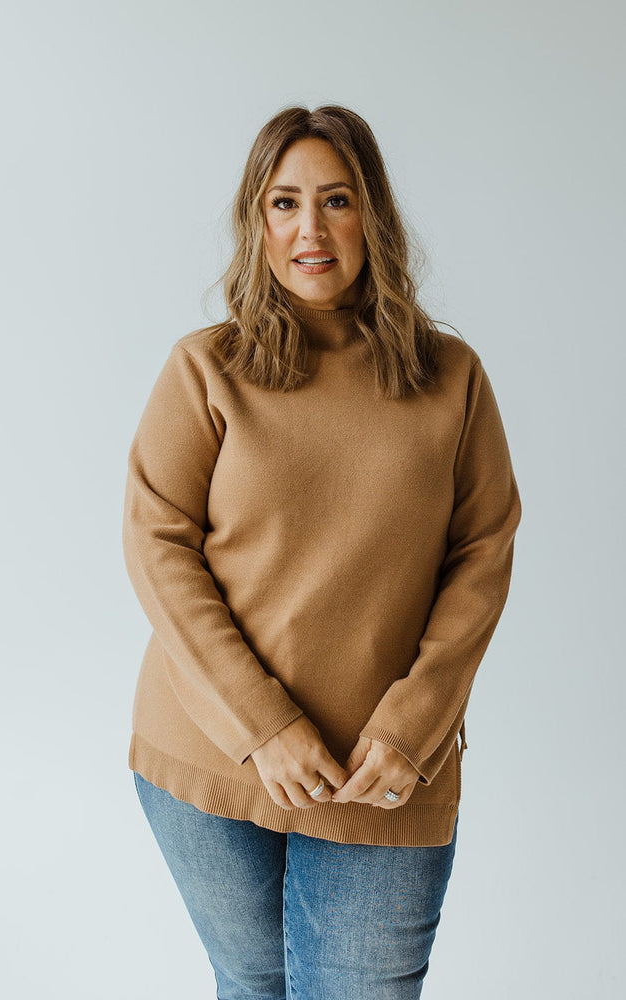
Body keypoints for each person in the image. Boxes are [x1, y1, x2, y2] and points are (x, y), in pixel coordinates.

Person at [122, 104, 522, 999]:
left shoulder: (449, 377)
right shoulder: (207, 367)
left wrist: (411, 730)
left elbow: (481, 555)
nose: (311, 228)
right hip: (213, 755)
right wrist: (262, 727)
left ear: (371, 216)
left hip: (385, 773)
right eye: (284, 202)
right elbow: (158, 547)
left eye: (336, 200)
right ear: (256, 223)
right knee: (253, 982)